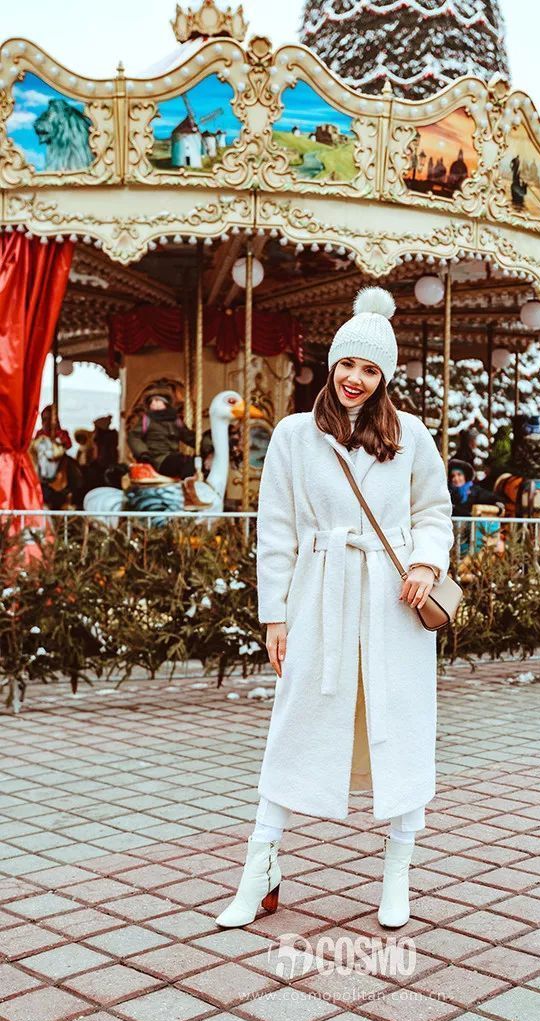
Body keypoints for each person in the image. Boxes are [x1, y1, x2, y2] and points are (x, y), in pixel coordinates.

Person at [214, 287, 454, 931]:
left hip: (394, 603)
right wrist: (275, 616)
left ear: (385, 377)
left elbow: (435, 512)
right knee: (293, 726)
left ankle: (398, 874)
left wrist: (426, 563)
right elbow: (276, 531)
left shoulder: (410, 436)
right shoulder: (295, 435)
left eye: (371, 369)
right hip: (319, 595)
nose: (355, 379)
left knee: (400, 729)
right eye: (348, 363)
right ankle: (259, 867)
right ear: (332, 363)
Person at [126, 390, 197, 479]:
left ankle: (187, 482)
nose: (153, 403)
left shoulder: (175, 420)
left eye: (157, 400)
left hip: (173, 456)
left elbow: (187, 436)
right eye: (151, 401)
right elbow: (134, 436)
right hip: (157, 459)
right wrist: (143, 453)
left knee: (195, 462)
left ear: (165, 403)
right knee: (185, 462)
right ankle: (186, 484)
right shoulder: (147, 419)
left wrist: (203, 444)